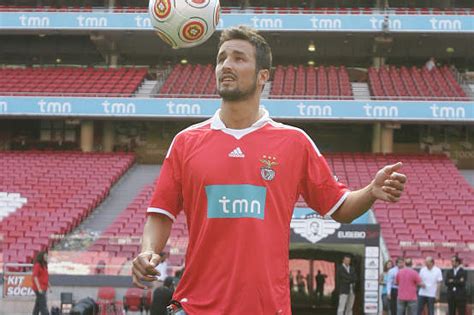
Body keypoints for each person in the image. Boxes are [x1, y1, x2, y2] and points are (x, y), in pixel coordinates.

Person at [132, 25, 408, 315]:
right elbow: (160, 214)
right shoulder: (185, 143)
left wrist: (371, 191)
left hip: (266, 307)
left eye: (239, 58)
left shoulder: (294, 142)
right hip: (194, 307)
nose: (226, 65)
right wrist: (148, 251)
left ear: (263, 75)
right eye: (221, 58)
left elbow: (341, 208)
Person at [32, 251, 51, 315]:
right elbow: (35, 277)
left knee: (37, 305)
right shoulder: (37, 265)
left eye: (47, 256)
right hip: (39, 288)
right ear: (41, 257)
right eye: (45, 256)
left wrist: (49, 285)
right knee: (43, 305)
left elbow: (45, 276)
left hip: (44, 287)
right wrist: (39, 288)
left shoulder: (44, 265)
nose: (46, 257)